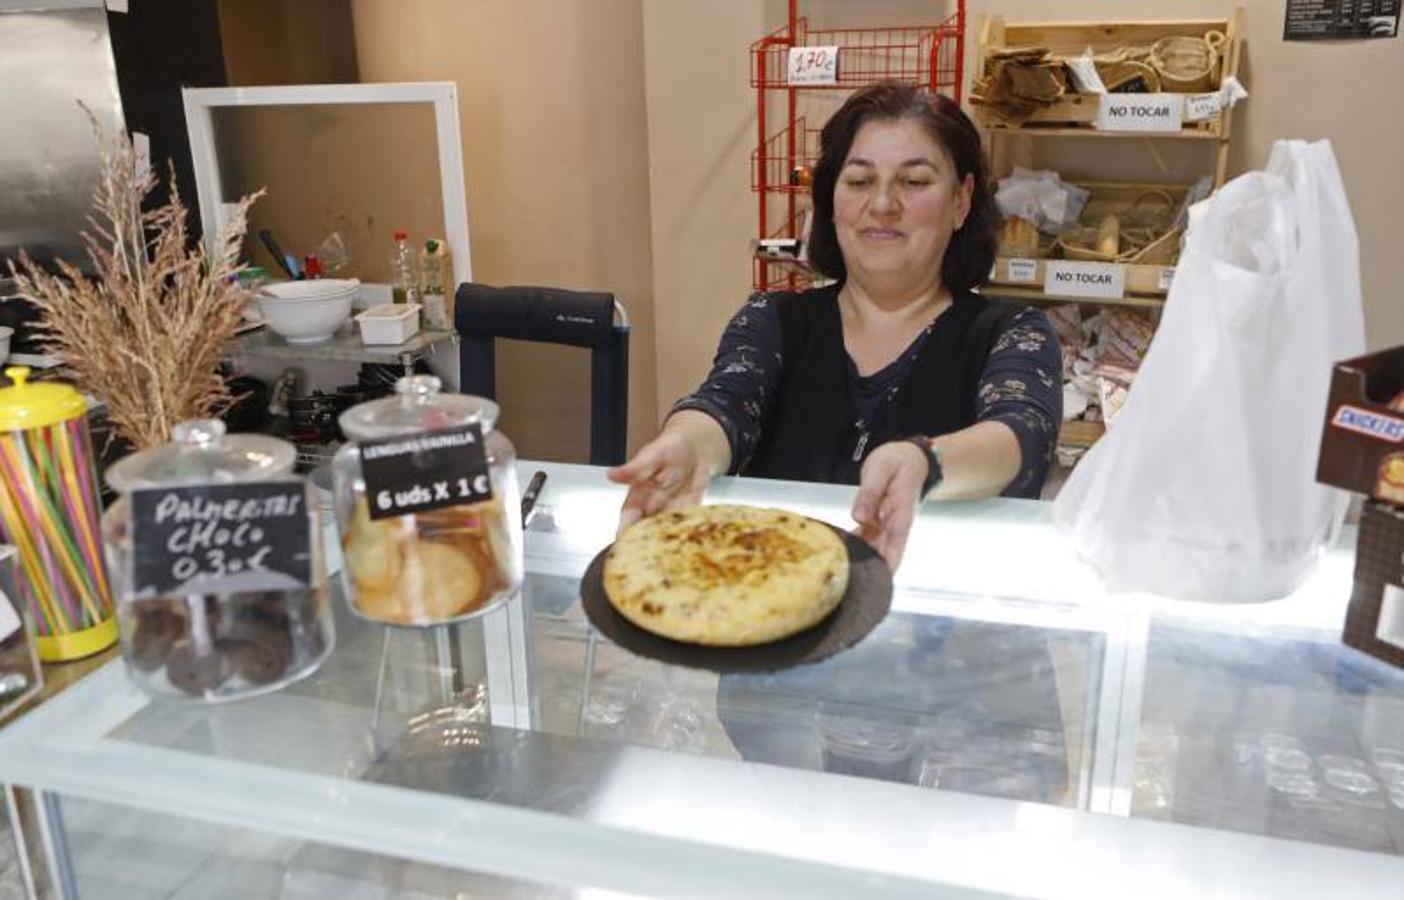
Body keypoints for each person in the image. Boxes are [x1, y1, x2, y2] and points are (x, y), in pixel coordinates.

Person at [609, 82, 1062, 568]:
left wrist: (923, 464)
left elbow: (1020, 433)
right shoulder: (775, 319)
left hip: (934, 614)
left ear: (961, 200)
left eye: (914, 182)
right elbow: (725, 403)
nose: (883, 204)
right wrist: (685, 444)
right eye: (859, 180)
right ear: (832, 198)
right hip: (780, 600)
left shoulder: (1012, 331)